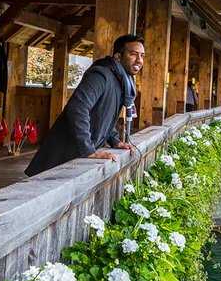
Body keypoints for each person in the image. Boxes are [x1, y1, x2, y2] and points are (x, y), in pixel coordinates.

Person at [25, 34, 143, 177]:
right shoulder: (101, 75)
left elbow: (104, 115)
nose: (139, 60)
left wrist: (115, 140)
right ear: (118, 57)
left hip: (75, 159)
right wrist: (88, 149)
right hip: (62, 157)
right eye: (133, 54)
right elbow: (77, 108)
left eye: (142, 56)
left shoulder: (122, 81)